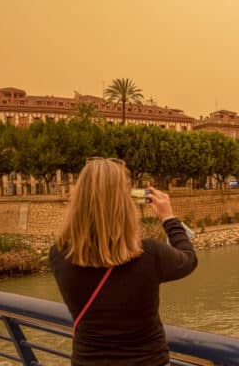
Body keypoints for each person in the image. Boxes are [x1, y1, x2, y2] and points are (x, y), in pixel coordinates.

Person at [50, 157, 197, 366]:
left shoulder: (58, 255)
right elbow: (189, 259)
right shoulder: (149, 254)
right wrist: (169, 219)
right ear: (125, 204)